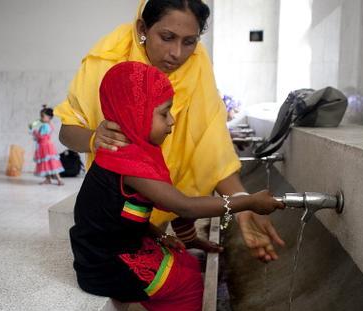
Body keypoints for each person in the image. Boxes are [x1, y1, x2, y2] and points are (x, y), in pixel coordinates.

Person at [56, 0, 285, 261]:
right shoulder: (108, 61)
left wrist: (243, 203)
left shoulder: (196, 65)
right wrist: (96, 138)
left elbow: (210, 146)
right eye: (167, 37)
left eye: (189, 41)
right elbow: (67, 132)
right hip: (119, 204)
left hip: (163, 206)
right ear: (143, 28)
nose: (177, 53)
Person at [69, 61, 284, 311]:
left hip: (116, 244)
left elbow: (117, 215)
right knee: (189, 285)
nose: (172, 121)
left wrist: (159, 236)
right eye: (164, 113)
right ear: (134, 113)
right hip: (105, 262)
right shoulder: (127, 162)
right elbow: (184, 206)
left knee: (187, 262)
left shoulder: (131, 153)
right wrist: (248, 202)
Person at [30, 105, 64, 185]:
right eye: (41, 116)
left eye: (42, 116)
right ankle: (48, 179)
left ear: (49, 117)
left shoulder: (45, 126)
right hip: (45, 146)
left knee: (50, 163)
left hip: (45, 147)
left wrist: (34, 133)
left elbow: (41, 136)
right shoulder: (49, 125)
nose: (41, 118)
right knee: (47, 163)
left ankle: (59, 179)